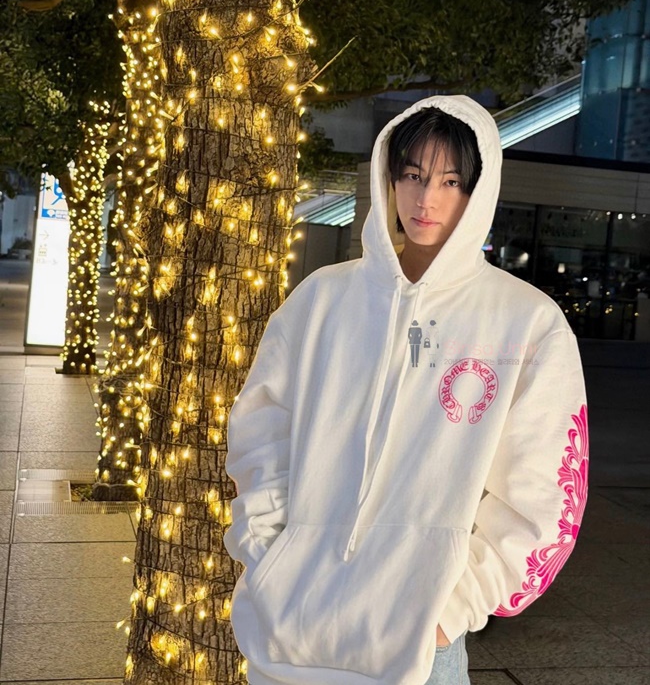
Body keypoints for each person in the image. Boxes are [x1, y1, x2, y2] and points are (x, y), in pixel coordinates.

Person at [224, 96, 589, 685]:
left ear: (478, 190)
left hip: (420, 650)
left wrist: (451, 611)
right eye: (413, 175)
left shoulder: (526, 323)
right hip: (291, 632)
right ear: (388, 177)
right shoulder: (322, 299)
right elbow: (261, 431)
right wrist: (269, 556)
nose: (426, 199)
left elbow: (545, 495)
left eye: (450, 181)